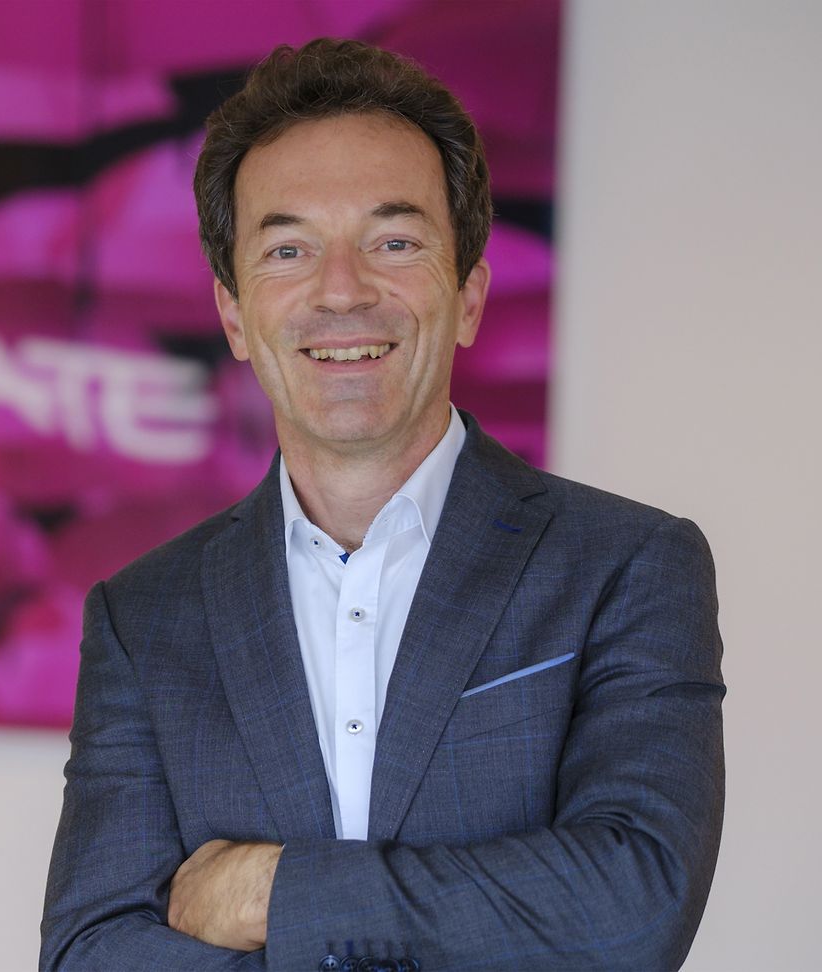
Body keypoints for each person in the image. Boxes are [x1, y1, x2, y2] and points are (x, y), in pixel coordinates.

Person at [40, 38, 724, 972]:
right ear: (235, 316)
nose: (341, 291)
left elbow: (634, 906)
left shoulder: (628, 567)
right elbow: (90, 952)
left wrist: (275, 891)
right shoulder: (143, 618)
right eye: (288, 250)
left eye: (393, 242)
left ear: (469, 295)